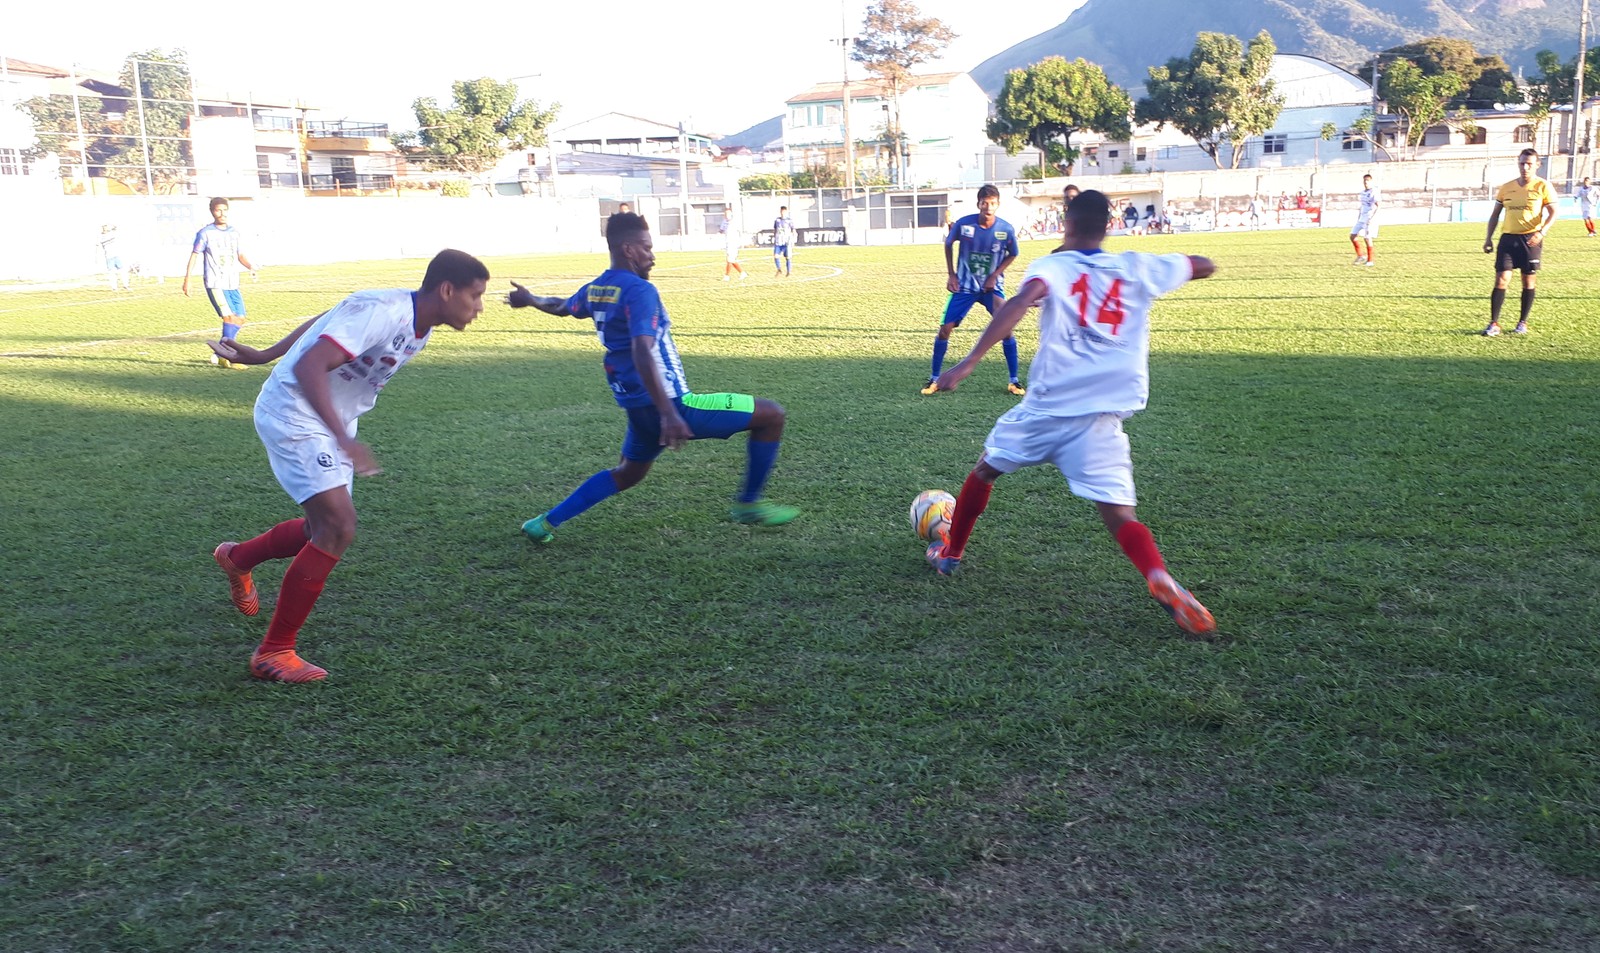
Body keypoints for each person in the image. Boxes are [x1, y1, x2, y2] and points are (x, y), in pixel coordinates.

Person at [921, 190, 1217, 638]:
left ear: (1067, 223)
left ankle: (950, 555)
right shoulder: (1137, 266)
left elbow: (1020, 303)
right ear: (1109, 224)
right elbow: (1203, 264)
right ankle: (1158, 575)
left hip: (1047, 409)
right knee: (1122, 517)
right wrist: (1168, 267)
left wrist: (968, 362)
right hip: (1101, 418)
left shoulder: (1053, 267)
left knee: (983, 472)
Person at [207, 249, 489, 682]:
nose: (479, 308)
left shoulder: (420, 326)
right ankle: (274, 652)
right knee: (338, 527)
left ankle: (237, 557)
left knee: (319, 530)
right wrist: (340, 438)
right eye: (475, 296)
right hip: (296, 414)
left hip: (330, 421)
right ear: (447, 290)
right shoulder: (384, 310)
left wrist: (265, 354)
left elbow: (328, 318)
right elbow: (310, 363)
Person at [505, 212, 799, 541]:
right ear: (628, 249)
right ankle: (749, 504)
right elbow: (642, 350)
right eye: (646, 247)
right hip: (672, 404)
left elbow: (563, 307)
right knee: (772, 415)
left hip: (638, 409)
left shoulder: (599, 288)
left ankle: (544, 523)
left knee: (627, 474)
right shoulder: (639, 291)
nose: (652, 256)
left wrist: (531, 300)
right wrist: (671, 415)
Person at [922, 183, 1024, 396]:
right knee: (945, 328)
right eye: (985, 202)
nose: (988, 206)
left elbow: (1013, 253)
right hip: (965, 287)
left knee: (1006, 329)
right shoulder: (964, 225)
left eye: (993, 203)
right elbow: (948, 244)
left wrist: (995, 275)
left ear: (998, 204)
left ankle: (1014, 381)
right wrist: (951, 274)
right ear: (978, 204)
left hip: (991, 288)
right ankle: (934, 377)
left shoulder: (1005, 229)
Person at [1482, 148, 1559, 336]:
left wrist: (1542, 232)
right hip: (1508, 239)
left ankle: (1522, 322)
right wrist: (1488, 238)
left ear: (1537, 165)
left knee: (1528, 281)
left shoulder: (1543, 186)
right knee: (1501, 280)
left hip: (1530, 239)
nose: (1525, 167)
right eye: (1522, 163)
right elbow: (1495, 215)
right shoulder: (1507, 187)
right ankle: (1494, 323)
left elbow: (1554, 213)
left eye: (1529, 164)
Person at [184, 197, 257, 369]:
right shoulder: (205, 233)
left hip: (232, 282)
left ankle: (220, 351)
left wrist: (250, 266)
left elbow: (239, 254)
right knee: (229, 317)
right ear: (212, 211)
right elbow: (194, 255)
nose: (222, 213)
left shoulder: (234, 232)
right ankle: (228, 358)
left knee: (240, 318)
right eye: (218, 210)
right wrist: (188, 279)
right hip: (216, 282)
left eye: (225, 210)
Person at [1350, 174, 1380, 266]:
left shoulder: (1374, 192)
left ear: (1371, 181)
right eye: (1364, 181)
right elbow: (1362, 205)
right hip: (1362, 217)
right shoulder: (1362, 192)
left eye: (1367, 181)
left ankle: (1370, 261)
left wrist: (1373, 218)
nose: (1366, 182)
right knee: (1352, 235)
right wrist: (1359, 216)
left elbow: (1378, 206)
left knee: (1367, 238)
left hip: (1369, 217)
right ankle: (1361, 256)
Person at [98, 224, 130, 291]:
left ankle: (126, 285)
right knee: (112, 273)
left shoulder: (109, 234)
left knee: (122, 271)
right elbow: (114, 231)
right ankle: (114, 288)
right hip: (109, 257)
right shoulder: (102, 237)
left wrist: (113, 228)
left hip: (116, 256)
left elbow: (115, 229)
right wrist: (113, 229)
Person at [720, 207, 746, 281]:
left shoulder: (735, 222)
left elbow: (740, 231)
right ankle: (742, 273)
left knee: (729, 259)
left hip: (734, 242)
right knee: (732, 260)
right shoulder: (724, 221)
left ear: (731, 214)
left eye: (728, 213)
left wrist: (741, 241)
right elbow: (721, 230)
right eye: (725, 213)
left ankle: (727, 276)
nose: (727, 215)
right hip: (728, 242)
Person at [772, 205, 796, 277]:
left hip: (786, 242)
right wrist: (774, 237)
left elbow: (793, 230)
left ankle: (788, 272)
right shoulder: (777, 220)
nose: (782, 213)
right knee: (776, 256)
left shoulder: (789, 220)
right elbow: (775, 230)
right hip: (778, 242)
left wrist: (793, 240)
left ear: (786, 212)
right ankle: (779, 269)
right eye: (781, 211)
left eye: (784, 211)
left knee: (788, 257)